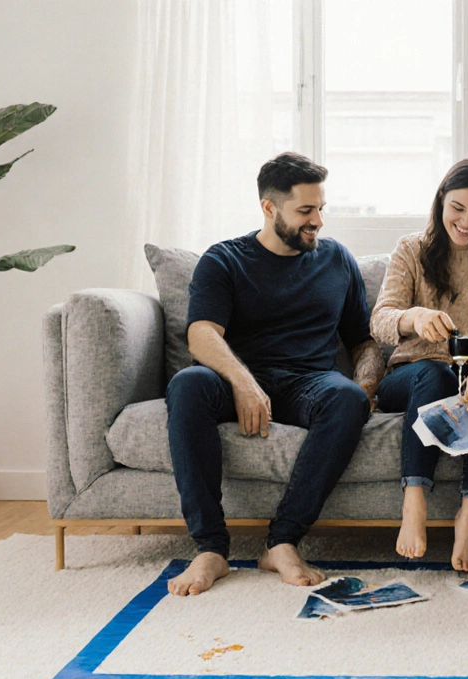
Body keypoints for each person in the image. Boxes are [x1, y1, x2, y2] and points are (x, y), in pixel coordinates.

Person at [164, 152, 385, 597]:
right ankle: (210, 548)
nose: (317, 221)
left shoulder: (337, 260)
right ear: (269, 208)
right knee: (186, 384)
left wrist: (366, 383)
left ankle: (282, 541)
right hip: (235, 380)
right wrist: (244, 383)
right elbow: (201, 335)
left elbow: (364, 341)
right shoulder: (225, 259)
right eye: (305, 211)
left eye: (321, 208)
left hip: (309, 382)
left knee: (348, 400)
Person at [370, 159, 468, 572]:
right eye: (457, 208)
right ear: (441, 201)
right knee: (434, 373)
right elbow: (380, 320)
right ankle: (414, 501)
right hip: (411, 375)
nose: (466, 222)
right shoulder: (412, 249)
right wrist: (414, 317)